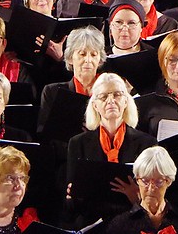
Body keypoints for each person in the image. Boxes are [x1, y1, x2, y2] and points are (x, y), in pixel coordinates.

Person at [66, 73, 157, 226]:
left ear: (126, 101)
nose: (111, 101)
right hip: (92, 222)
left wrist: (139, 197)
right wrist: (73, 195)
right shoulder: (77, 143)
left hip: (133, 222)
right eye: (103, 97)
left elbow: (155, 198)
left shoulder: (147, 144)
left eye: (117, 95)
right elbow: (71, 204)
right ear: (95, 105)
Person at [105, 146, 178, 233]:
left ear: (168, 181)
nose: (151, 188)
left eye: (158, 181)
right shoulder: (120, 225)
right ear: (137, 180)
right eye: (145, 181)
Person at [38, 26, 106, 131]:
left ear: (100, 60)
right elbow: (43, 131)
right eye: (82, 54)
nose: (88, 60)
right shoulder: (52, 92)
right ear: (70, 58)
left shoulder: (109, 91)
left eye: (93, 55)